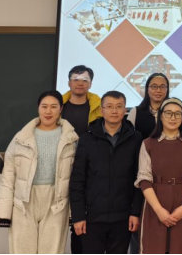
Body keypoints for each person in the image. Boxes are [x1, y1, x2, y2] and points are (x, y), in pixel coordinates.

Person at [0, 90, 79, 254]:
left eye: (53, 107)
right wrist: (4, 213)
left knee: (52, 251)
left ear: (61, 109)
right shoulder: (21, 138)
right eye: (44, 106)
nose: (48, 111)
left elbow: (77, 180)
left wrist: (73, 212)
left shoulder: (71, 139)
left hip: (57, 202)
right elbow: (8, 177)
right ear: (38, 108)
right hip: (24, 202)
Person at [69, 91, 144, 254]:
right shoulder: (87, 139)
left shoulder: (136, 138)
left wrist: (135, 212)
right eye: (109, 106)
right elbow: (77, 181)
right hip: (92, 218)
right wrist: (78, 216)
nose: (114, 111)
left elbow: (139, 179)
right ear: (102, 110)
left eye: (119, 106)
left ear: (125, 110)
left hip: (123, 218)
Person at [135, 98, 182, 254]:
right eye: (168, 113)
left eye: (177, 114)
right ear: (160, 116)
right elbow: (144, 179)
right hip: (155, 202)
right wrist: (158, 210)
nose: (173, 118)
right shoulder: (148, 143)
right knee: (153, 248)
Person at [61, 65, 102, 254]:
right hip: (61, 166)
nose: (80, 83)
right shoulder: (58, 107)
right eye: (76, 79)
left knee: (82, 219)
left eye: (85, 80)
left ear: (90, 84)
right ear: (69, 83)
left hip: (89, 168)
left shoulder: (98, 107)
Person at [127, 73, 170, 139]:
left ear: (167, 90)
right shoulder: (135, 112)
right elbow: (127, 137)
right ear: (147, 89)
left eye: (162, 87)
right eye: (154, 86)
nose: (158, 90)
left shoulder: (174, 112)